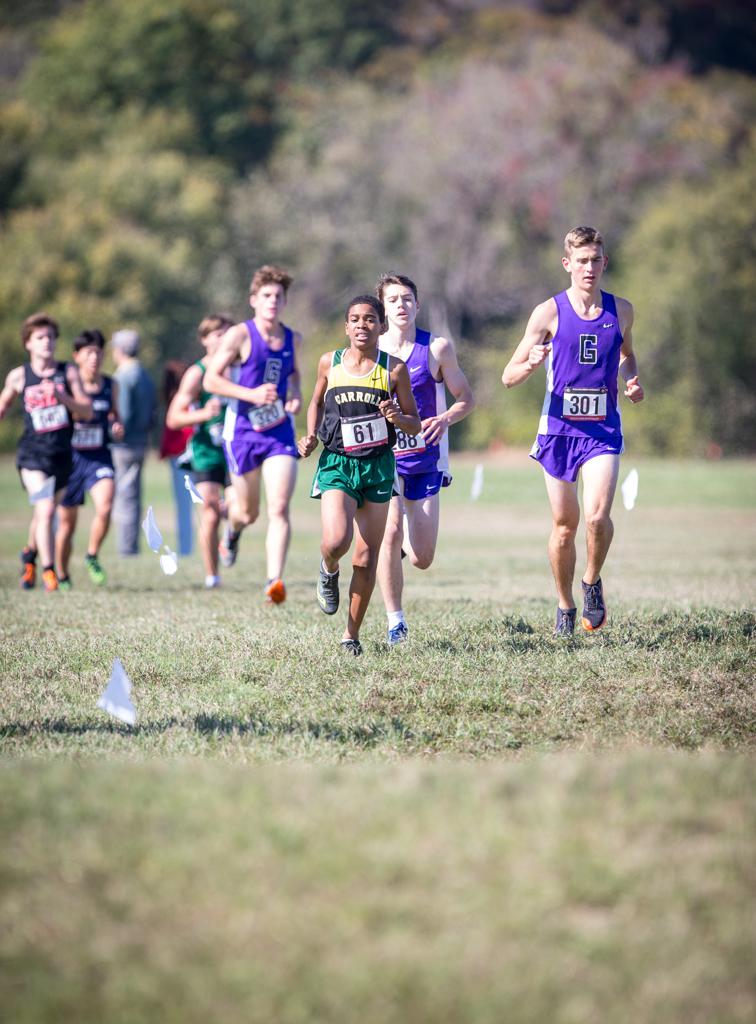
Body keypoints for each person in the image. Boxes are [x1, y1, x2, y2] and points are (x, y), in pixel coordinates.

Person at [501, 225, 644, 635]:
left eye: (596, 259)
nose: (589, 268)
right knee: (565, 526)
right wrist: (530, 364)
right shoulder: (548, 312)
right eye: (581, 261)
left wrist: (631, 380)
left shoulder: (622, 311)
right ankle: (565, 605)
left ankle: (592, 582)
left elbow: (628, 357)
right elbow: (508, 377)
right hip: (558, 431)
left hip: (602, 429)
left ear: (605, 262)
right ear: (567, 264)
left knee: (597, 517)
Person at [298, 295, 421, 655]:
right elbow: (316, 402)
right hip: (338, 462)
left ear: (381, 326)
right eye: (354, 319)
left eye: (370, 319)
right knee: (337, 540)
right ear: (346, 326)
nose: (362, 326)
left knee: (366, 558)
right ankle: (328, 567)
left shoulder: (393, 369)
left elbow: (413, 423)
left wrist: (397, 417)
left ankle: (351, 635)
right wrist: (310, 436)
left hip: (378, 467)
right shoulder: (329, 363)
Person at [375, 273, 475, 645]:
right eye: (393, 300)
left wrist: (445, 418)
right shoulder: (371, 349)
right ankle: (395, 622)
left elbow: (466, 398)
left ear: (417, 304)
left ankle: (400, 551)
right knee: (390, 530)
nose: (401, 305)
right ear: (383, 308)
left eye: (407, 299)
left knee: (422, 557)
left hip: (426, 459)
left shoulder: (436, 348)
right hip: (385, 459)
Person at [203, 265, 302, 604]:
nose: (273, 301)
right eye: (266, 296)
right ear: (254, 300)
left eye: (278, 296)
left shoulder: (293, 339)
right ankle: (232, 531)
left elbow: (295, 376)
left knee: (279, 508)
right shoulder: (240, 336)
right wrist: (251, 395)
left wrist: (295, 395)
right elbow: (211, 380)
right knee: (248, 513)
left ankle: (274, 580)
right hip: (242, 432)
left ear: (285, 301)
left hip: (279, 434)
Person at [0, 312, 91, 591]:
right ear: (28, 343)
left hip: (62, 458)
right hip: (32, 457)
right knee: (46, 508)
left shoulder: (69, 373)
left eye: (51, 337)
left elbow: (85, 410)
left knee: (43, 514)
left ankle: (29, 555)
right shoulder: (19, 376)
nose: (47, 342)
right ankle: (49, 572)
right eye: (40, 337)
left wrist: (62, 396)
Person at [166, 314, 234, 588]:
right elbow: (173, 418)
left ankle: (232, 536)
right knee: (210, 511)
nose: (222, 339)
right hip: (206, 452)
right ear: (204, 340)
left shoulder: (239, 369)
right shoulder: (197, 373)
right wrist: (204, 413)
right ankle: (212, 575)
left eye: (226, 334)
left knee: (237, 509)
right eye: (216, 334)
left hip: (236, 450)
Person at [55, 329, 124, 589]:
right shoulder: (68, 387)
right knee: (67, 525)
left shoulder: (110, 385)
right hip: (70, 459)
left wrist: (117, 426)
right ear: (77, 357)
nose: (94, 358)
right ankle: (61, 575)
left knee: (105, 506)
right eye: (88, 353)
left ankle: (92, 555)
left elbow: (116, 416)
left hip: (99, 456)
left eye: (98, 352)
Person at [110, 328, 157, 556]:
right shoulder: (145, 375)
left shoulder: (122, 376)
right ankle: (132, 545)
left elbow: (123, 414)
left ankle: (126, 549)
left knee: (124, 498)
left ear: (118, 350)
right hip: (141, 442)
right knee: (134, 497)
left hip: (124, 445)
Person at [159, 360, 194, 557]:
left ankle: (186, 548)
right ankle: (187, 548)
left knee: (184, 507)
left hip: (182, 459)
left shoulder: (177, 402)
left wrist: (164, 452)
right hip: (187, 458)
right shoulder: (185, 400)